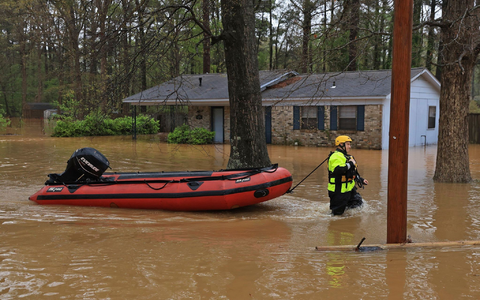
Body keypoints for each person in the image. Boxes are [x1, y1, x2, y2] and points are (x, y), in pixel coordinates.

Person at [327, 135, 368, 215]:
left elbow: (351, 172)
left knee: (358, 205)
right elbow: (339, 170)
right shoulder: (335, 156)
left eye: (350, 144)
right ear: (341, 144)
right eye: (348, 144)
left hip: (350, 190)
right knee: (337, 215)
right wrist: (350, 163)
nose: (350, 146)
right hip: (338, 191)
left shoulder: (347, 156)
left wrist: (361, 179)